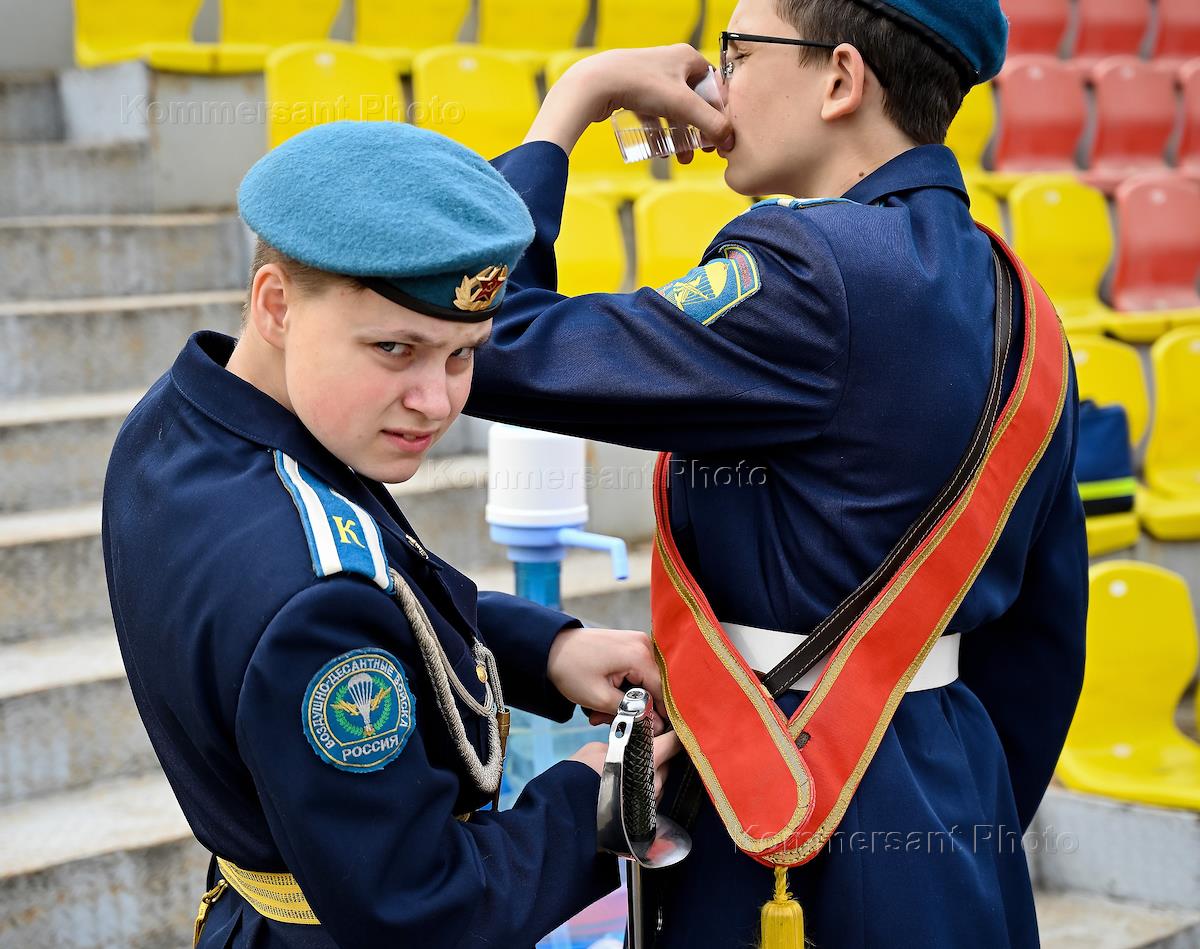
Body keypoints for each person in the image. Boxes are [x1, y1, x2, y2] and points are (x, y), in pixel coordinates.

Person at [463, 0, 1088, 946]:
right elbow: (1045, 637)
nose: (715, 84)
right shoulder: (1023, 303)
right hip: (953, 792)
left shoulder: (807, 267)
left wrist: (573, 104)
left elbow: (490, 337)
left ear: (840, 78)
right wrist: (949, 793)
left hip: (791, 797)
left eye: (737, 52)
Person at [101, 120, 679, 949]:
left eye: (462, 355)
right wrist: (590, 801)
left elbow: (381, 573)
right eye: (396, 348)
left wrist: (543, 649)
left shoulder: (184, 420)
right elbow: (424, 908)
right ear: (275, 305)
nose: (437, 402)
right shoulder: (313, 601)